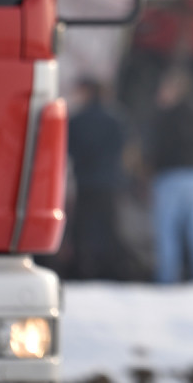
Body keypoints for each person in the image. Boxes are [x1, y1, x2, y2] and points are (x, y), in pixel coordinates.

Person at [145, 66, 193, 283]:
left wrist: (151, 169)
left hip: (171, 175)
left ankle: (167, 276)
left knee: (167, 227)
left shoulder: (167, 115)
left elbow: (158, 147)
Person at [65, 76, 128, 279]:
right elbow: (122, 149)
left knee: (82, 228)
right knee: (107, 227)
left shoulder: (77, 120)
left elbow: (69, 149)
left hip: (85, 181)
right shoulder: (116, 119)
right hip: (109, 181)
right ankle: (108, 269)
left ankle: (81, 270)